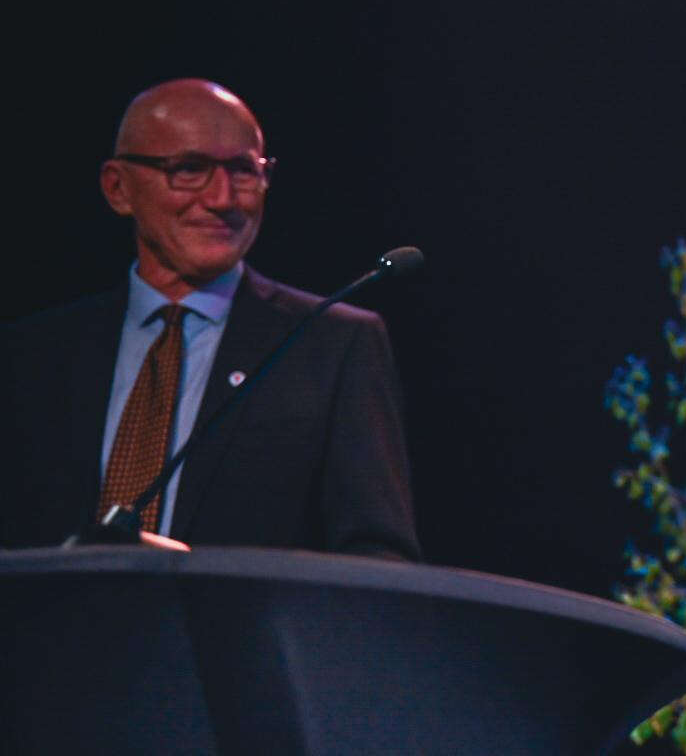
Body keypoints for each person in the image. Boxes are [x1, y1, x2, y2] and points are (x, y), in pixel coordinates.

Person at [1, 79, 420, 560]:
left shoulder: (333, 346)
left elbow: (379, 559)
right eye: (189, 169)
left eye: (243, 170)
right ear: (118, 188)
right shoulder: (32, 355)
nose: (223, 198)